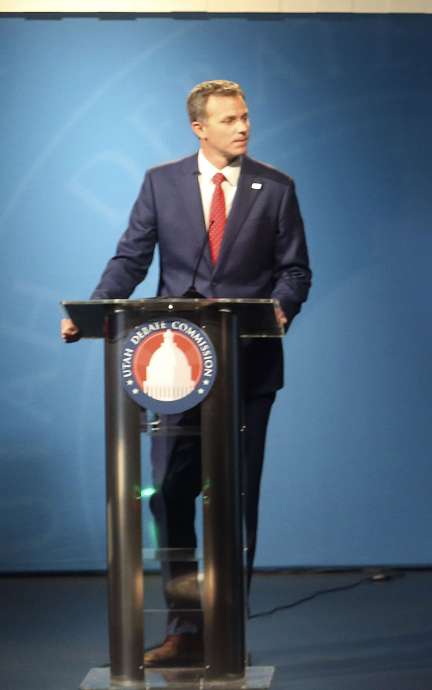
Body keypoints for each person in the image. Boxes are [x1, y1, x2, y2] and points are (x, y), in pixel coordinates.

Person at [61, 80, 312, 667]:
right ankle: (184, 630)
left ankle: (227, 631)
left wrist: (279, 307)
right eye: (230, 120)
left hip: (248, 368)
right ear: (199, 128)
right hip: (175, 367)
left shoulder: (276, 188)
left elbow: (295, 271)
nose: (243, 127)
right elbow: (132, 257)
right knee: (170, 495)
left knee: (234, 499)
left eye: (246, 117)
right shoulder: (161, 183)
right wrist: (95, 310)